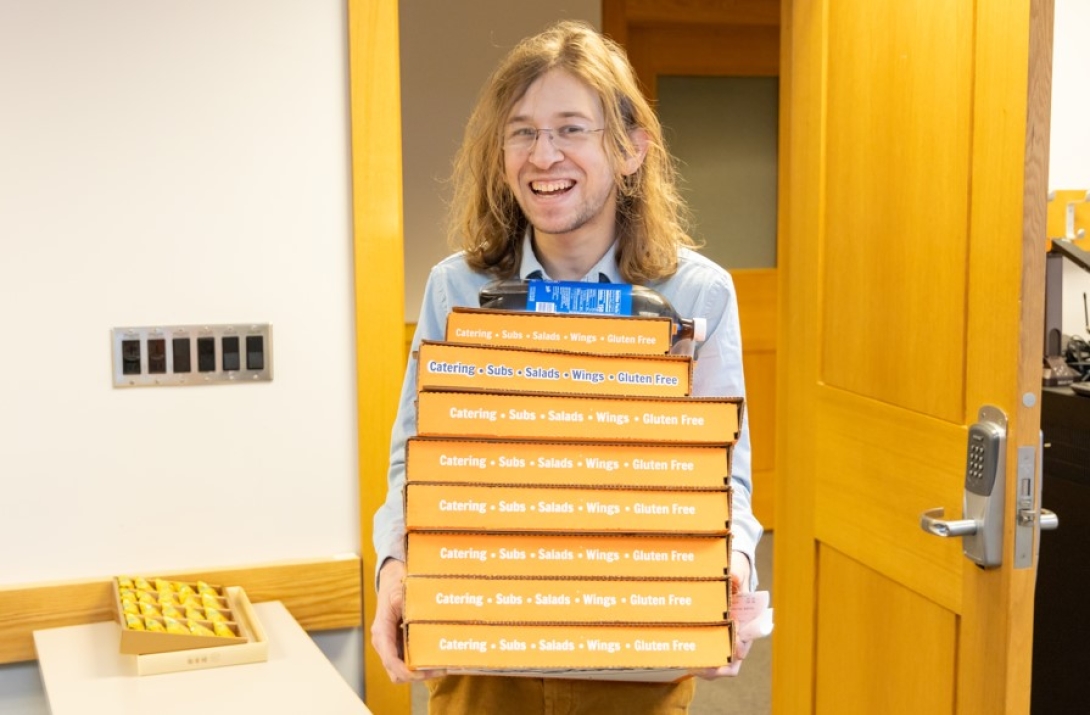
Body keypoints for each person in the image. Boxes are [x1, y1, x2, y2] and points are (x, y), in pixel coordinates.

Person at [371, 19, 763, 714]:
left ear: (632, 149)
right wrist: (394, 563)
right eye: (521, 131)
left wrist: (731, 569)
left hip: (636, 658)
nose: (543, 154)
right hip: (481, 651)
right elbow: (416, 455)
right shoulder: (455, 290)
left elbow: (722, 476)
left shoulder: (697, 294)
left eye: (571, 129)